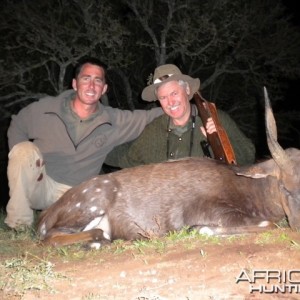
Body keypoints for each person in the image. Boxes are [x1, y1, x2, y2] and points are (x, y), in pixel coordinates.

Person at [5, 57, 163, 229]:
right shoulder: (46, 108)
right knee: (22, 150)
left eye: (97, 80)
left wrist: (184, 105)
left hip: (75, 195)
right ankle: (19, 224)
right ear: (75, 84)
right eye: (86, 78)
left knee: (100, 220)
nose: (91, 85)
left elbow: (148, 117)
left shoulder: (114, 120)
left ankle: (55, 221)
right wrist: (27, 168)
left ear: (104, 89)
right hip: (41, 185)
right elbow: (18, 123)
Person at [104, 64, 255, 169]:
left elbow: (248, 156)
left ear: (187, 90)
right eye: (163, 98)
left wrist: (222, 139)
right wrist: (90, 147)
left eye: (174, 93)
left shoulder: (215, 118)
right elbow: (124, 156)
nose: (170, 102)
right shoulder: (152, 131)